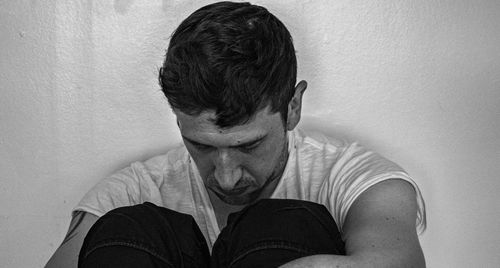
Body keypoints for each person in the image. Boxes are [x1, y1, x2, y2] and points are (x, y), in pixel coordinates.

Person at [46, 1, 426, 267]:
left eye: (249, 145)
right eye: (201, 145)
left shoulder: (359, 180)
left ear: (292, 107)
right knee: (127, 231)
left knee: (285, 226)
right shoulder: (128, 192)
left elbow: (394, 259)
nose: (226, 175)